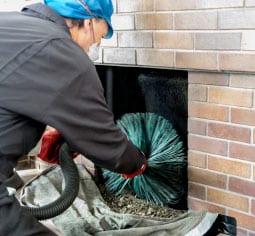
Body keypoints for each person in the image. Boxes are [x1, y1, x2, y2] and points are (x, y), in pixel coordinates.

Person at [0, 0, 147, 235]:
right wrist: (136, 162)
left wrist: (51, 128)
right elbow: (103, 139)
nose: (98, 42)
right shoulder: (61, 49)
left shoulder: (13, 26)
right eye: (101, 33)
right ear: (88, 22)